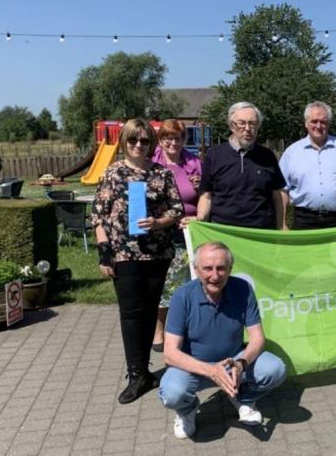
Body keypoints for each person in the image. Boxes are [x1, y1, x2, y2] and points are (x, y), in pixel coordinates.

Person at [92, 118, 184, 404]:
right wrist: (104, 252)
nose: (138, 145)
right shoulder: (113, 173)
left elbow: (177, 209)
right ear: (125, 142)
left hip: (157, 253)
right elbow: (99, 215)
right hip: (124, 255)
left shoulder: (161, 174)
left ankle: (145, 370)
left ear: (150, 144)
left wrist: (157, 222)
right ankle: (136, 374)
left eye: (144, 141)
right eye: (133, 140)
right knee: (131, 315)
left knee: (149, 311)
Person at [158, 242, 287, 439]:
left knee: (275, 369)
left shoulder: (243, 289)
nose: (215, 275)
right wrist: (211, 371)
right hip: (194, 366)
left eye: (221, 268)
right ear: (196, 269)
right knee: (172, 394)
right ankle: (187, 410)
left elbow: (258, 338)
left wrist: (241, 364)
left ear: (230, 269)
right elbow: (170, 354)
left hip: (232, 361)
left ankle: (241, 398)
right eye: (207, 268)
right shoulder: (182, 296)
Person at [191, 102, 285, 229]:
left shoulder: (267, 156)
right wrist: (199, 219)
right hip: (224, 232)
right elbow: (206, 196)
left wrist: (281, 227)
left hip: (261, 233)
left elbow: (277, 196)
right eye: (241, 123)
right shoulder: (214, 155)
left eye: (252, 123)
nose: (247, 128)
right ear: (231, 126)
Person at [151, 119, 202, 353]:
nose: (173, 142)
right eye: (168, 138)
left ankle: (190, 331)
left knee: (191, 283)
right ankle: (158, 331)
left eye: (178, 138)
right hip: (162, 231)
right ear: (161, 140)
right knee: (166, 284)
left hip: (190, 230)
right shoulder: (152, 162)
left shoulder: (194, 163)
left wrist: (200, 187)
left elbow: (208, 194)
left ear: (184, 140)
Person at [279, 101, 336, 229]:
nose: (318, 125)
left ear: (328, 124)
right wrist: (282, 223)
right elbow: (282, 189)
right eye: (314, 121)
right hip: (304, 221)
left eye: (323, 122)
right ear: (306, 123)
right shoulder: (292, 152)